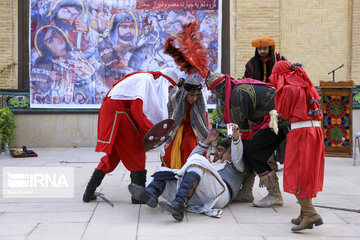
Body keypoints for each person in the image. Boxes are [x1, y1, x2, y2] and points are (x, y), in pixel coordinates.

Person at [82, 68, 179, 204]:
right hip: (119, 112)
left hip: (116, 111)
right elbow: (136, 110)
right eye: (169, 88)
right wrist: (151, 131)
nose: (169, 92)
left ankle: (89, 192)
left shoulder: (148, 80)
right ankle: (138, 196)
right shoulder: (146, 81)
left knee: (113, 156)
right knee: (135, 149)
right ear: (165, 82)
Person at [128, 123, 245, 221]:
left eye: (220, 150)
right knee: (162, 171)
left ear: (229, 151)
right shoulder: (213, 165)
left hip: (220, 195)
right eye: (216, 150)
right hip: (197, 197)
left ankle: (179, 203)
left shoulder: (237, 166)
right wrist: (207, 141)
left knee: (198, 160)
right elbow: (190, 160)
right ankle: (152, 193)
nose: (216, 153)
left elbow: (237, 153)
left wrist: (235, 137)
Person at [205, 73, 290, 208]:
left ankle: (274, 194)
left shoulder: (236, 96)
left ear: (220, 89)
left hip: (278, 119)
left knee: (252, 151)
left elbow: (241, 132)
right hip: (277, 117)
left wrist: (233, 152)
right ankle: (246, 191)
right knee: (249, 149)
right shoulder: (237, 90)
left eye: (215, 91)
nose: (215, 95)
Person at [269, 61, 325, 232]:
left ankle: (310, 213)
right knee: (308, 173)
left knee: (296, 173)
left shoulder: (288, 89)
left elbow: (284, 113)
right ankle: (303, 213)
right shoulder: (305, 84)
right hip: (315, 132)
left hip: (301, 134)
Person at [162, 77, 209, 169]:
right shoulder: (174, 98)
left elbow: (203, 120)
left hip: (192, 128)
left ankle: (189, 173)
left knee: (190, 148)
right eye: (191, 95)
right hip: (174, 128)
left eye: (196, 95)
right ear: (185, 93)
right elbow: (170, 118)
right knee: (168, 154)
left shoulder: (200, 102)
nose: (194, 98)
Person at [97, 11, 139, 87]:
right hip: (109, 85)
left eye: (131, 27)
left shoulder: (136, 48)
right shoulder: (105, 44)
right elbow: (114, 65)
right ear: (116, 29)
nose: (129, 30)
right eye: (124, 27)